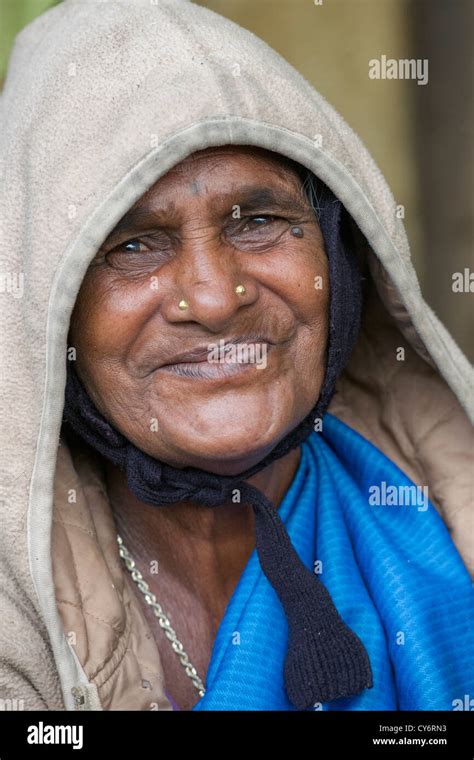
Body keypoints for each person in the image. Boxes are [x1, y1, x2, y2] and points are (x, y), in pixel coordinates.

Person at [0, 0, 472, 712]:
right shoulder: (16, 618)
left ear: (338, 262)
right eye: (133, 245)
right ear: (50, 311)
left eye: (259, 222)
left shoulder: (449, 502)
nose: (216, 298)